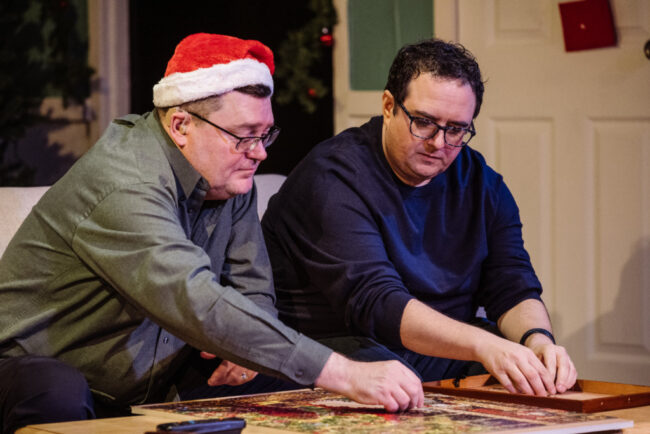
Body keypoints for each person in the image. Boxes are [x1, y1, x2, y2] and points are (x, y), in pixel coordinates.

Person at [0, 33, 423, 433]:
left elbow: (253, 287)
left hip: (150, 377)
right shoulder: (125, 182)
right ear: (181, 125)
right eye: (244, 136)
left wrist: (247, 358)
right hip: (31, 367)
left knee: (355, 356)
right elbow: (192, 298)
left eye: (264, 134)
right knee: (56, 388)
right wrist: (343, 375)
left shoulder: (228, 174)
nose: (259, 152)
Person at [262, 38, 578, 397]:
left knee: (527, 370)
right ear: (388, 106)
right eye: (424, 122)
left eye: (457, 129)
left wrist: (538, 342)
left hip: (429, 352)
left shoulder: (482, 183)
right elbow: (378, 303)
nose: (439, 143)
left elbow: (512, 282)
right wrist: (482, 345)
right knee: (417, 367)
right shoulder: (332, 177)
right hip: (340, 348)